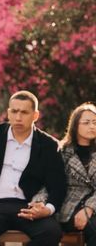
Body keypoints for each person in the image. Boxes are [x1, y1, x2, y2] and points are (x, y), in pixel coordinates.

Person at [0, 90, 67, 246]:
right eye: (14, 111)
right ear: (8, 113)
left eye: (24, 112)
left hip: (27, 206)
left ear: (35, 116)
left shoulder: (48, 145)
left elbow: (58, 185)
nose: (18, 117)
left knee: (51, 233)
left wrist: (47, 209)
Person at [56, 102, 96, 245]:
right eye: (86, 123)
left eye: (94, 122)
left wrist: (90, 207)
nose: (92, 126)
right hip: (70, 206)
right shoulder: (62, 152)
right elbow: (53, 183)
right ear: (75, 126)